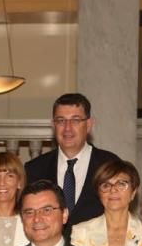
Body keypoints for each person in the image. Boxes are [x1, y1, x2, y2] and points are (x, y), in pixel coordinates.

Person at [24, 92, 121, 226]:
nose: (67, 128)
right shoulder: (34, 169)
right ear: (53, 125)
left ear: (88, 125)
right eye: (61, 121)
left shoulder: (110, 165)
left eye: (75, 120)